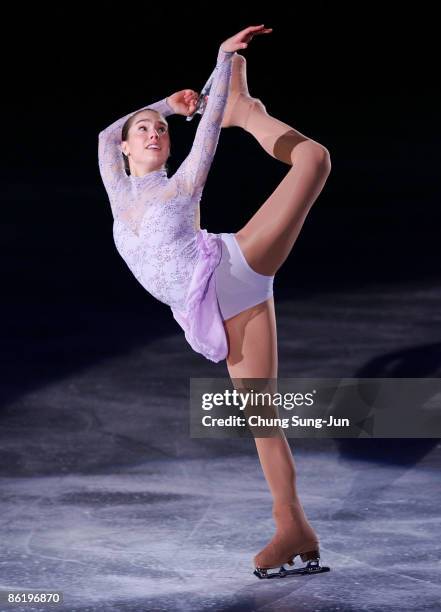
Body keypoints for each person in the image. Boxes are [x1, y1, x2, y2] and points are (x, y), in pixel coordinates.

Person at [98, 25, 332, 578]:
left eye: (161, 130)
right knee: (262, 416)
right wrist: (166, 103)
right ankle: (293, 527)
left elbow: (206, 133)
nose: (155, 133)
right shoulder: (116, 185)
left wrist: (224, 63)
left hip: (232, 267)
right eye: (145, 130)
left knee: (314, 161)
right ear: (128, 147)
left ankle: (251, 113)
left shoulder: (181, 186)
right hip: (218, 311)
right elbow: (105, 134)